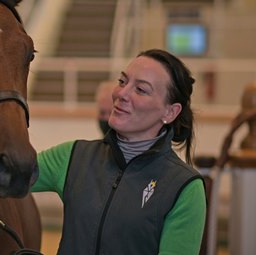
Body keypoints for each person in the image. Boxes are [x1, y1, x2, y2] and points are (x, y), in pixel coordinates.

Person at [32, 49, 206, 254]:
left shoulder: (184, 188)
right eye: (122, 81)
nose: (121, 93)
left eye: (141, 89)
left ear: (170, 112)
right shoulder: (73, 156)